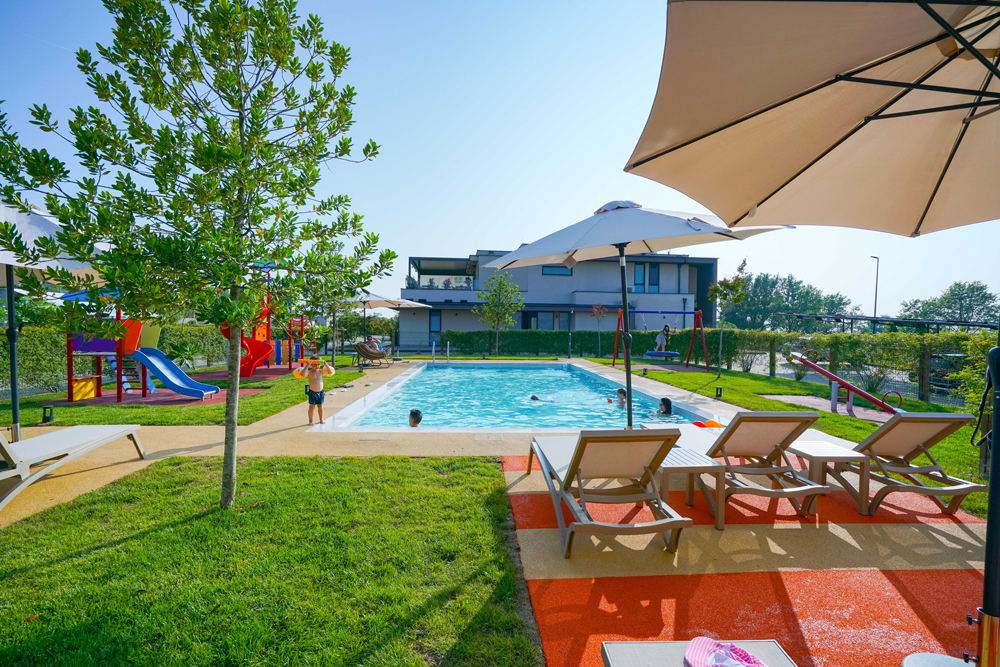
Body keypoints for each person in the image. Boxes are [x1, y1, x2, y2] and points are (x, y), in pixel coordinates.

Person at [294, 355, 334, 425]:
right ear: (311, 365)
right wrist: (307, 365)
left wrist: (326, 364)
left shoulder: (321, 371)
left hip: (321, 392)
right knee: (311, 407)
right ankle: (310, 420)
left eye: (318, 364)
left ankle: (321, 419)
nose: (317, 366)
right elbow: (302, 374)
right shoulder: (309, 372)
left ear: (320, 364)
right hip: (312, 393)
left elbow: (330, 372)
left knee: (320, 406)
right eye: (314, 365)